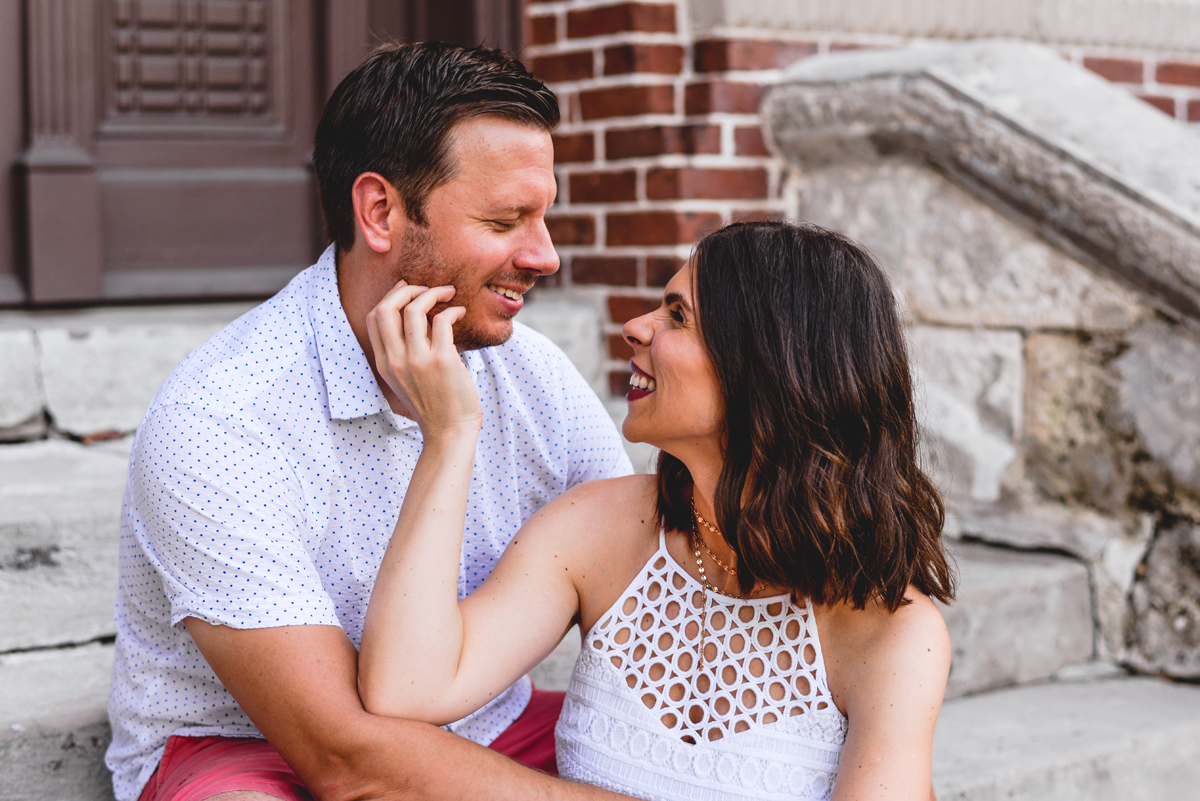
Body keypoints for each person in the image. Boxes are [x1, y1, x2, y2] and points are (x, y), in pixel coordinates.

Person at [105, 42, 638, 801]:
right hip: (257, 749)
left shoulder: (532, 372)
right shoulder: (221, 415)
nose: (545, 255)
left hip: (485, 724)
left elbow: (645, 579)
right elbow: (342, 757)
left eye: (543, 216)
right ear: (381, 212)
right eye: (505, 219)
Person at [356, 220, 957, 801]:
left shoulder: (891, 634)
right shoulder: (598, 529)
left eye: (678, 316)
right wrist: (451, 434)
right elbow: (408, 688)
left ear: (772, 367)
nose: (635, 327)